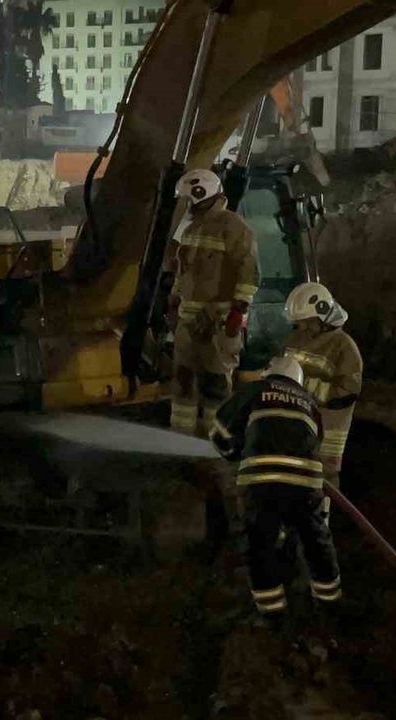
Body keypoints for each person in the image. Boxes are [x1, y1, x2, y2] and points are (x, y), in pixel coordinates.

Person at [210, 355, 342, 617]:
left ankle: (273, 614)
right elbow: (317, 442)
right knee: (316, 539)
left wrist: (234, 452)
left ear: (270, 374)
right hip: (306, 483)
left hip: (262, 483)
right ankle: (330, 603)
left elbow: (220, 433)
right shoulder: (311, 404)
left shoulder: (255, 390)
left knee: (260, 543)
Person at [163, 168, 258, 437]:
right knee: (183, 381)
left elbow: (248, 271)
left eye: (187, 199)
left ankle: (215, 445)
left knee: (215, 384)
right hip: (189, 321)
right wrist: (173, 301)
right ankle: (180, 441)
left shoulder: (234, 227)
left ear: (199, 192)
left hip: (218, 321)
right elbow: (184, 270)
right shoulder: (192, 228)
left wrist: (237, 312)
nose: (186, 205)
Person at [283, 283, 363, 498]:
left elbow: (347, 392)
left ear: (322, 314)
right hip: (299, 422)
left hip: (328, 431)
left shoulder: (343, 346)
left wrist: (302, 385)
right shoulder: (297, 337)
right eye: (300, 323)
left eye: (307, 322)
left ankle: (320, 527)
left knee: (323, 486)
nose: (303, 328)